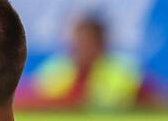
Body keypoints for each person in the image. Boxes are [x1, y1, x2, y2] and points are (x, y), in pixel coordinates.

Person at [18, 15, 149, 109]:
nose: (80, 48)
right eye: (77, 42)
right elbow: (26, 98)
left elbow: (157, 102)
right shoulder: (57, 68)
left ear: (101, 44)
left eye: (87, 42)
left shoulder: (122, 70)